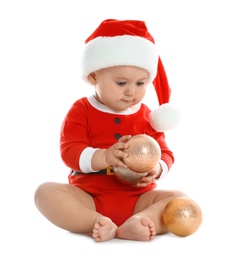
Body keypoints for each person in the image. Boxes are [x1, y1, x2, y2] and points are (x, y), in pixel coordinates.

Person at [34, 19, 199, 242]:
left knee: (178, 198)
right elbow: (70, 151)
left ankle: (139, 221)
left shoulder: (147, 115)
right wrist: (104, 156)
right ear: (93, 76)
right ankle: (94, 221)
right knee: (45, 193)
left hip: (138, 198)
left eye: (140, 83)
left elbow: (166, 153)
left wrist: (157, 169)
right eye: (121, 83)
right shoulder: (82, 109)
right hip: (88, 196)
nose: (131, 92)